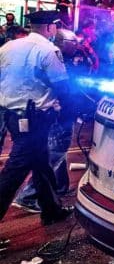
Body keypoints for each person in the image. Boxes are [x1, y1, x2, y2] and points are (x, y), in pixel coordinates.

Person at [0, 11, 75, 247]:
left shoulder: (9, 47)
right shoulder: (48, 51)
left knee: (41, 164)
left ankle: (51, 209)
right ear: (51, 28)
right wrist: (69, 110)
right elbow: (62, 85)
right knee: (14, 171)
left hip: (11, 115)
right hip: (34, 119)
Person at [13, 28, 84, 212]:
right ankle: (28, 195)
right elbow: (63, 89)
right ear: (63, 43)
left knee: (57, 152)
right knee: (54, 154)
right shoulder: (55, 57)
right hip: (58, 114)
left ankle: (58, 187)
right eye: (73, 42)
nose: (77, 45)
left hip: (53, 113)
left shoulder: (62, 58)